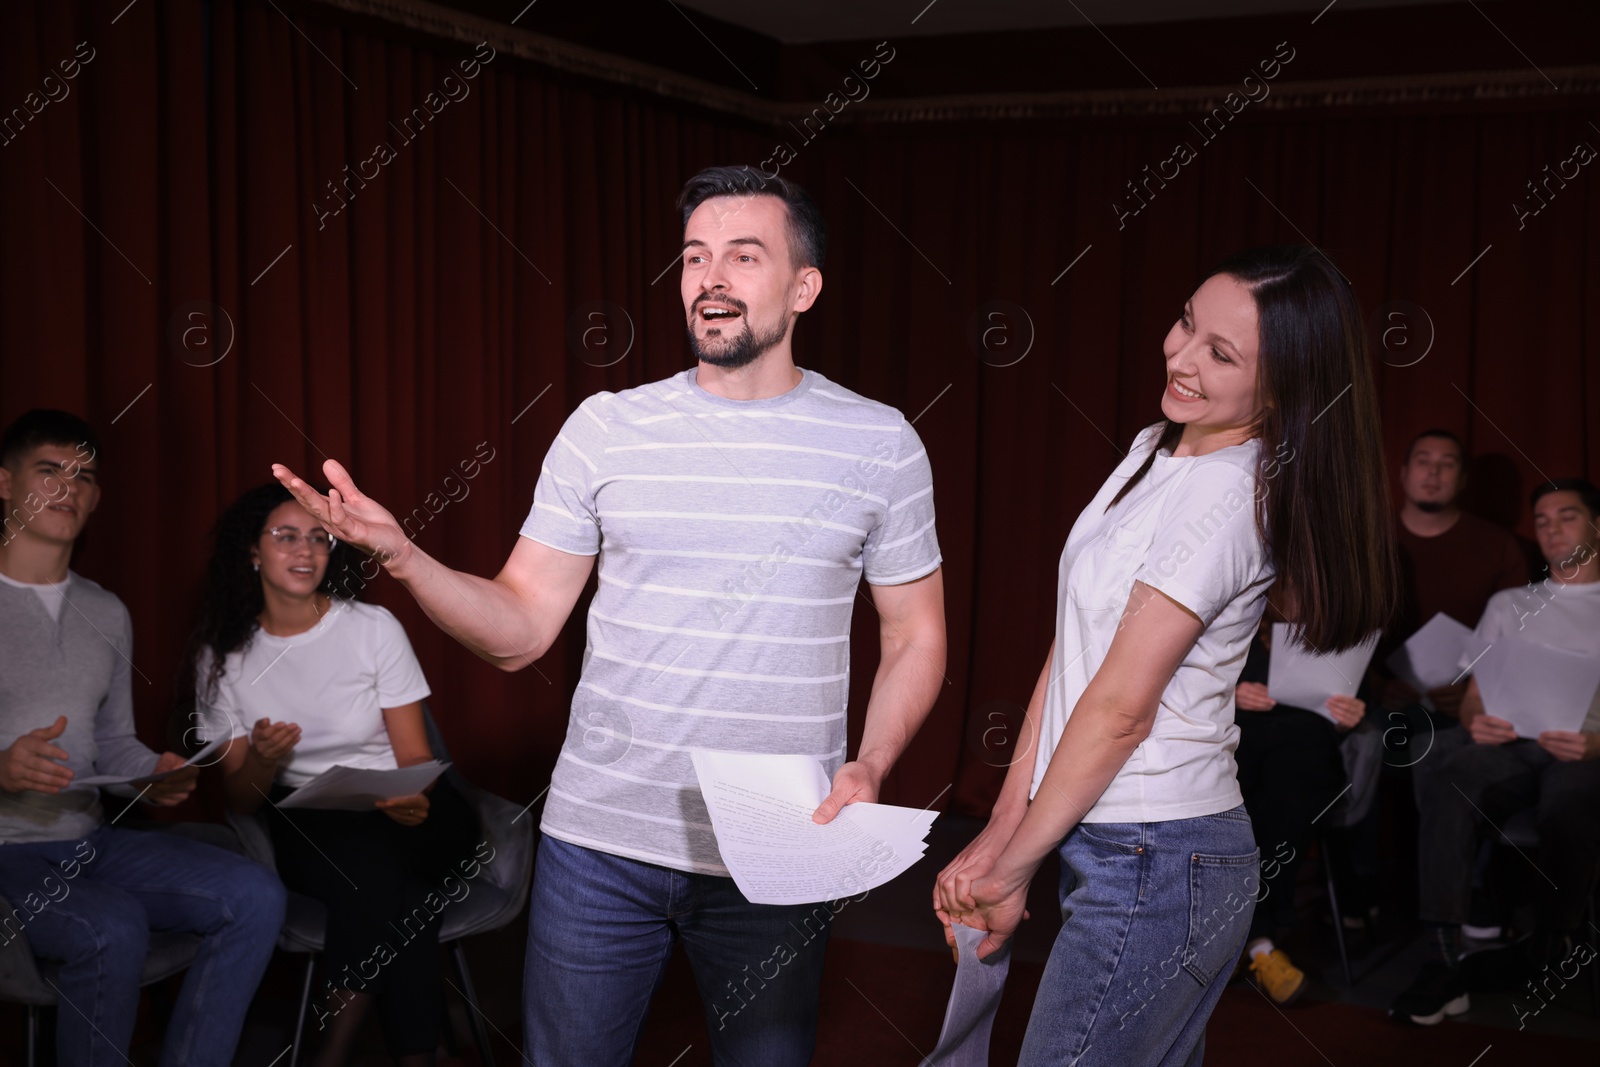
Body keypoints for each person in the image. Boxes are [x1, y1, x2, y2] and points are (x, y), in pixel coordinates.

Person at [273, 165, 946, 1066]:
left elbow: (915, 634)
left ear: (804, 286)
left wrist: (872, 761)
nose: (712, 277)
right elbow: (519, 628)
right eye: (695, 257)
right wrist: (405, 558)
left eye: (745, 256)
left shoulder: (879, 441)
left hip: (781, 847)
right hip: (600, 848)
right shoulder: (606, 429)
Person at [935, 246, 1396, 1065]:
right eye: (1187, 321)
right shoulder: (1157, 444)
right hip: (1125, 843)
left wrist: (1013, 869)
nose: (1181, 356)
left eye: (1221, 354)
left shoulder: (1227, 495)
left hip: (1158, 852)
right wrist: (1003, 830)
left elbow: (1119, 708)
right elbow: (1074, 645)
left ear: (1286, 387)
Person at [0, 409, 284, 1067]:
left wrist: (154, 770)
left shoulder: (106, 610)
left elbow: (113, 740)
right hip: (6, 855)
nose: (69, 487)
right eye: (49, 470)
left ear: (97, 496)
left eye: (85, 476)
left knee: (256, 894)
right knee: (113, 925)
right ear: (6, 483)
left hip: (87, 840)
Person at [182, 483, 479, 1067]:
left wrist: (416, 795)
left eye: (319, 538)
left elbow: (415, 755)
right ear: (253, 552)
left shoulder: (372, 627)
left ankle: (332, 1053)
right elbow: (242, 801)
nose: (305, 550)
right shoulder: (222, 659)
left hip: (402, 800)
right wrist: (264, 758)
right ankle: (419, 1052)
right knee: (394, 883)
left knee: (389, 861)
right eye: (286, 535)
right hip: (307, 812)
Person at [1390, 477, 1600, 1026]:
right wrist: (1476, 721)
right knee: (1448, 774)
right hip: (1512, 743)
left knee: (1571, 801)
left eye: (1567, 516)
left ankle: (1549, 944)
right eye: (1544, 520)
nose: (1552, 529)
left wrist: (1597, 741)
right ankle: (1441, 958)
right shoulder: (1511, 603)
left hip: (1586, 750)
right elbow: (1474, 695)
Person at [1231, 592, 1370, 1004]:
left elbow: (1360, 708)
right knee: (1231, 802)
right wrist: (1230, 696)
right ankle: (1259, 944)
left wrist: (1350, 718)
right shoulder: (1236, 620)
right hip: (1240, 741)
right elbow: (1183, 686)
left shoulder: (1338, 629)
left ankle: (1247, 942)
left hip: (1305, 751)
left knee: (1292, 796)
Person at [1376, 429, 1527, 791]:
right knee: (1358, 747)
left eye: (1447, 465)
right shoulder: (1369, 538)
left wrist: (1474, 695)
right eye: (1423, 462)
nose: (1433, 473)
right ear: (1403, 473)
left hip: (1465, 702)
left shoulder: (1499, 546)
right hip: (1375, 695)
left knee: (1454, 761)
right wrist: (1373, 685)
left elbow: (1519, 638)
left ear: (1462, 480)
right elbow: (1334, 623)